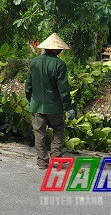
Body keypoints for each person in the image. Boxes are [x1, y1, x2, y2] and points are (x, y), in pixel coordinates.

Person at [25, 32, 75, 169]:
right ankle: (56, 156)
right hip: (54, 106)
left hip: (37, 105)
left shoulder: (34, 62)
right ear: (55, 49)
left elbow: (28, 84)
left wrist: (29, 99)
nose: (60, 51)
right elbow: (63, 89)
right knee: (58, 129)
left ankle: (42, 161)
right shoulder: (60, 64)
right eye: (60, 49)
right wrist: (68, 107)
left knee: (39, 134)